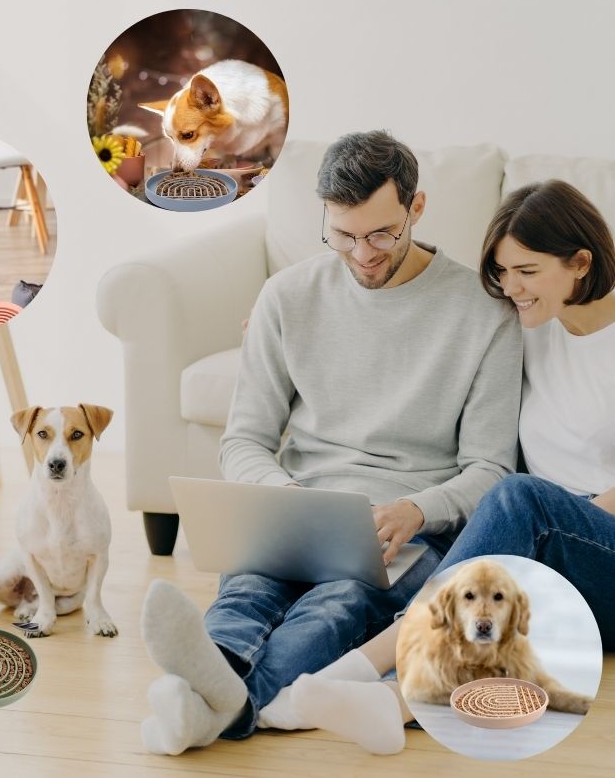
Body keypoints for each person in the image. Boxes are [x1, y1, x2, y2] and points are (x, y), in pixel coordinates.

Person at [139, 130, 523, 755]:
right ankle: (220, 692)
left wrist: (417, 509)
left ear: (416, 210)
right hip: (297, 506)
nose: (363, 254)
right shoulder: (287, 296)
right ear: (324, 216)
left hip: (403, 525)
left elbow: (491, 468)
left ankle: (207, 703)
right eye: (343, 235)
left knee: (337, 605)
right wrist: (280, 495)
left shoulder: (484, 312)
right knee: (246, 592)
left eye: (381, 234)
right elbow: (244, 441)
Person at [257, 179, 615, 754]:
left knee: (519, 500)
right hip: (546, 550)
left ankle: (358, 667)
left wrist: (547, 542)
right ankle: (394, 704)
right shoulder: (530, 327)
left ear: (580, 263)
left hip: (596, 543)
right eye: (501, 272)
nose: (510, 290)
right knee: (475, 546)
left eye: (526, 271)